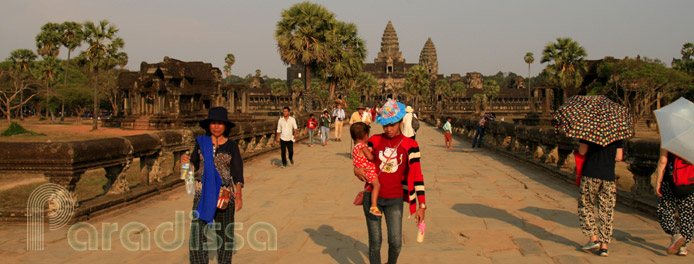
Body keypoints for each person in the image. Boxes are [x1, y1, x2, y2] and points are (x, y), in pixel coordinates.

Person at [353, 99, 427, 264]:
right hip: (373, 197)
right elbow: (360, 157)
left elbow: (417, 175)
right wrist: (356, 169)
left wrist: (422, 205)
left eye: (392, 124)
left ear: (401, 121)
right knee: (375, 242)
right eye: (385, 125)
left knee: (395, 242)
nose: (389, 129)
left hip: (395, 198)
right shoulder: (375, 140)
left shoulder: (410, 145)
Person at [181, 107, 244, 264]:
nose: (216, 127)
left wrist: (239, 196)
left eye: (220, 123)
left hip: (224, 196)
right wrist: (185, 163)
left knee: (225, 236)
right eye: (213, 123)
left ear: (226, 126)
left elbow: (237, 172)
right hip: (202, 195)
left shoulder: (231, 146)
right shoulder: (201, 143)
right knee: (196, 235)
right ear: (208, 125)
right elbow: (193, 165)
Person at [577, 139, 623, 257]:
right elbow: (619, 157)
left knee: (585, 205)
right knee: (607, 210)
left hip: (590, 174)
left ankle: (593, 238)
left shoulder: (589, 130)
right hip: (608, 175)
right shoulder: (616, 134)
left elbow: (582, 152)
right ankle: (604, 246)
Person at [655, 150, 693, 256]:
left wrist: (658, 182)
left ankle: (675, 234)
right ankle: (683, 247)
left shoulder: (670, 137)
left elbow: (663, 161)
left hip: (670, 180)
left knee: (664, 209)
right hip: (690, 181)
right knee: (687, 213)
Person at [350, 122, 381, 216]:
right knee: (377, 185)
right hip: (368, 169)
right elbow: (370, 157)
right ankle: (374, 205)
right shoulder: (363, 146)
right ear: (365, 135)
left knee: (373, 185)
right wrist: (373, 154)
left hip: (362, 169)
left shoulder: (355, 147)